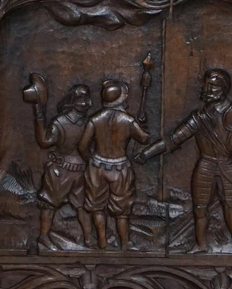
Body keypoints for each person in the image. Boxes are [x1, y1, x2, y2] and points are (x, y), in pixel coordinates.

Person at [139, 68, 232, 253]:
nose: (207, 90)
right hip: (205, 165)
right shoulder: (199, 117)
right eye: (206, 86)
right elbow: (173, 139)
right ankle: (200, 244)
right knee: (200, 207)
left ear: (224, 88)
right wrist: (147, 153)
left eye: (212, 86)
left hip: (226, 165)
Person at [22, 75, 93, 250]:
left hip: (80, 172)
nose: (86, 103)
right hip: (60, 171)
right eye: (82, 99)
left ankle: (88, 239)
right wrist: (39, 113)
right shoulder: (61, 122)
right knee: (49, 205)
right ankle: (43, 237)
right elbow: (44, 141)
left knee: (82, 207)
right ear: (73, 100)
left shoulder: (89, 123)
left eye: (87, 99)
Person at [79, 80, 149, 250]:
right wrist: (142, 123)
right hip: (120, 168)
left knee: (97, 208)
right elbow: (144, 138)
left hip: (97, 167)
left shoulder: (95, 120)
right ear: (121, 99)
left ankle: (102, 242)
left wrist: (92, 161)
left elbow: (82, 147)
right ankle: (124, 244)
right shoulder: (128, 120)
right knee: (122, 211)